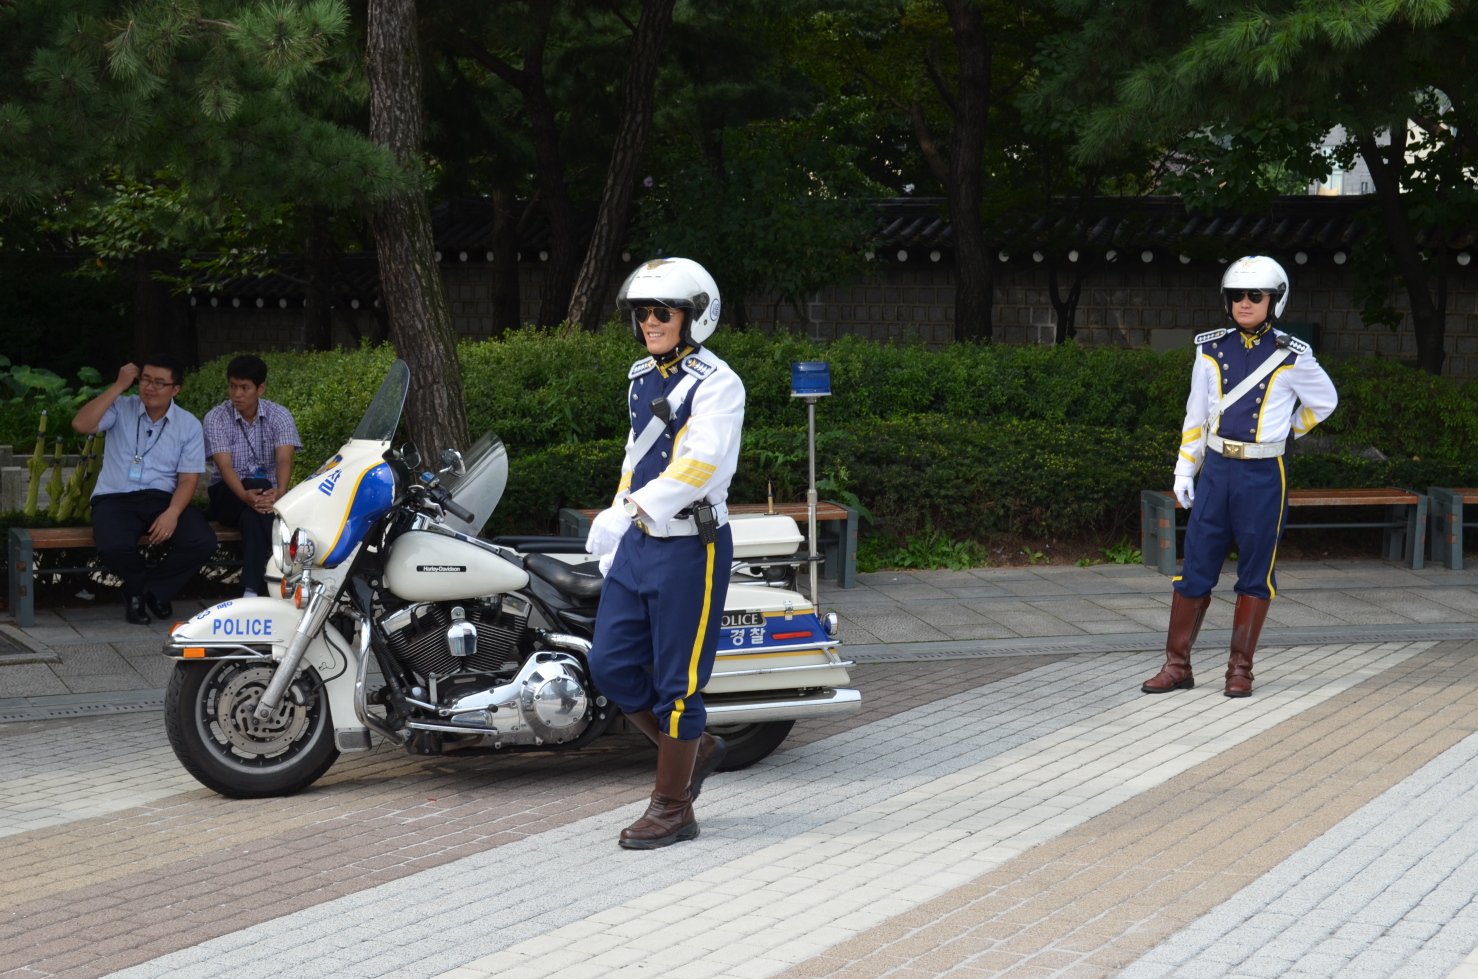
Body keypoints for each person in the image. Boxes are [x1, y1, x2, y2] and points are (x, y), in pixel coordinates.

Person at [584, 257, 744, 849]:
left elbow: (698, 467)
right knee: (610, 666)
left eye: (662, 311)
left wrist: (631, 510)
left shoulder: (717, 382)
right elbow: (637, 455)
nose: (649, 322)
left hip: (690, 548)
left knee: (679, 687)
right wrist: (619, 511)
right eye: (641, 312)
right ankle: (694, 749)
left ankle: (673, 807)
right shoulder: (641, 375)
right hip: (640, 542)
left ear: (695, 315)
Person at [1142, 256, 1339, 698]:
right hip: (1217, 471)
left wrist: (1288, 428)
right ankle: (1177, 666)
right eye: (1236, 296)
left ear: (1275, 300)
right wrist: (1184, 468)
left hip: (1265, 474)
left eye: (1255, 295)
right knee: (1195, 569)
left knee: (1255, 573)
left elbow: (1324, 402)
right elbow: (1196, 414)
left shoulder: (1293, 355)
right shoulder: (1210, 348)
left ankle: (1240, 670)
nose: (1245, 303)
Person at [72, 355, 217, 625]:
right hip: (116, 497)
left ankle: (148, 590)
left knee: (202, 541)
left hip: (163, 499)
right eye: (146, 380)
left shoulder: (188, 425)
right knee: (113, 547)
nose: (150, 387)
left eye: (160, 383)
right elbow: (81, 425)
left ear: (176, 389)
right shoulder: (120, 407)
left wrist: (173, 512)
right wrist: (118, 386)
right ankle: (141, 588)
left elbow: (188, 479)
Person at [202, 355, 302, 598]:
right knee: (258, 489)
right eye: (232, 386)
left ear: (261, 388)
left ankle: (249, 589)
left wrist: (279, 492)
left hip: (266, 498)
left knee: (252, 518)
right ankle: (285, 579)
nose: (237, 394)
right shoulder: (216, 417)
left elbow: (284, 460)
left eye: (245, 388)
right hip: (227, 495)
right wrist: (247, 495)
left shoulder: (279, 415)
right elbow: (224, 466)